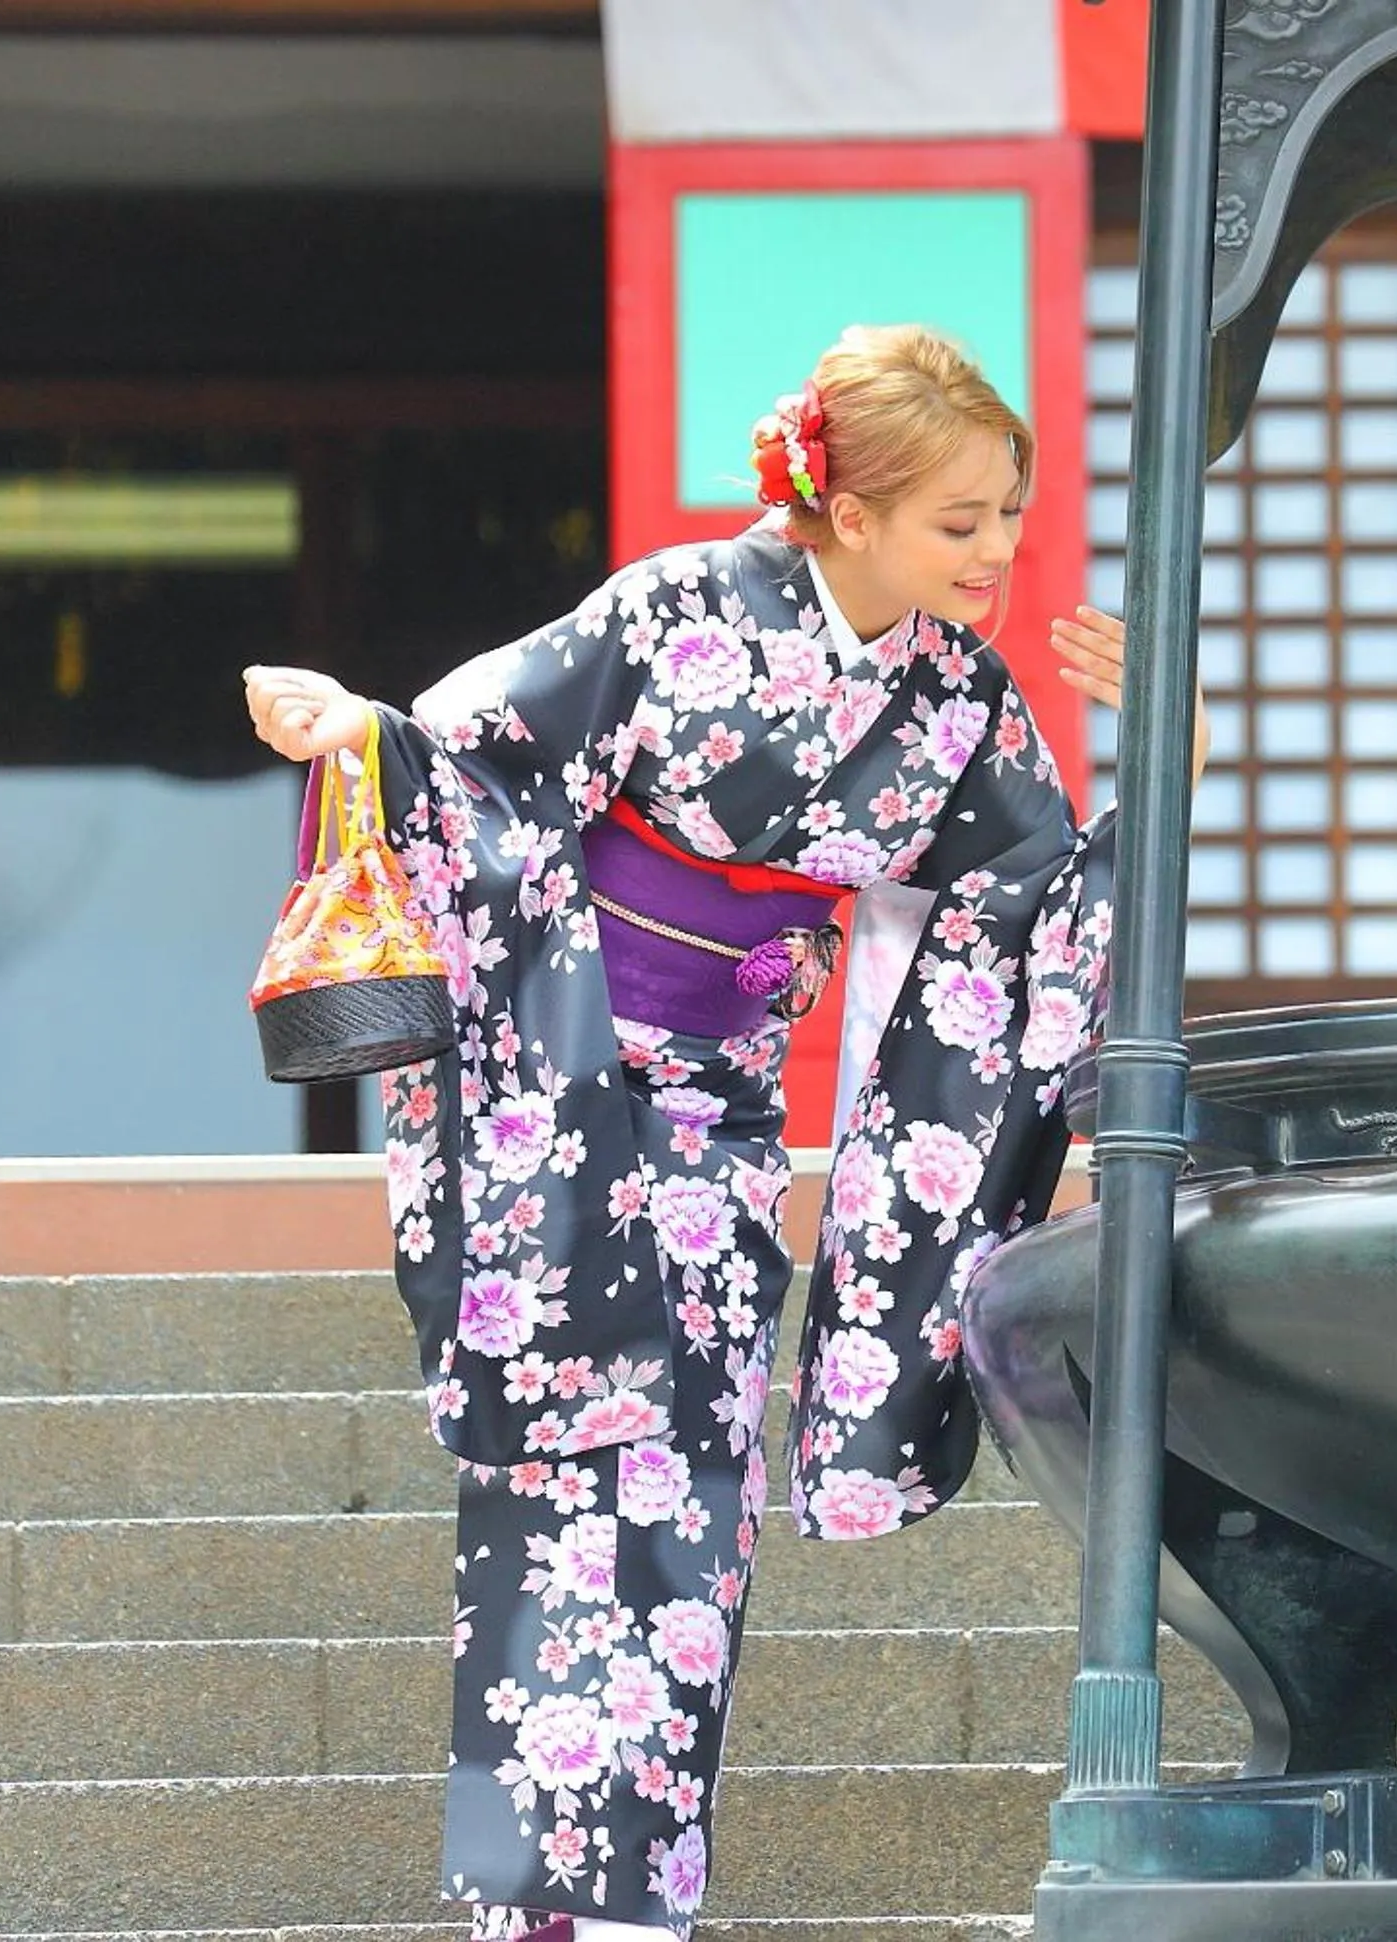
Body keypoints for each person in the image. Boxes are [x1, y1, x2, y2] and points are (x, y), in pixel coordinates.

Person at [242, 323, 1198, 1942]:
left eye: (1009, 520)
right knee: (542, 1516)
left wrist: (1161, 745)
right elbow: (480, 757)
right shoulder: (679, 610)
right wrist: (362, 731)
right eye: (960, 520)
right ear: (854, 505)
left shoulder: (963, 702)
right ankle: (521, 1900)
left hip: (724, 1124)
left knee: (694, 1522)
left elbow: (1033, 911)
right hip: (564, 1098)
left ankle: (636, 1909)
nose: (996, 554)